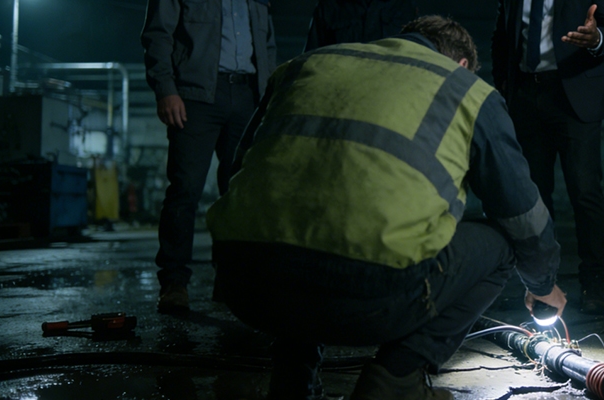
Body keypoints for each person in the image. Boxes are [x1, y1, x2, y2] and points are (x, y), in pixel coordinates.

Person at [206, 15, 567, 400]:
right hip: (369, 299)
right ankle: (396, 377)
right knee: (501, 245)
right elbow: (519, 212)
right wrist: (543, 284)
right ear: (461, 65)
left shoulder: (302, 66)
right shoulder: (465, 89)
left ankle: (293, 380)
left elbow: (238, 172)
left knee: (303, 217)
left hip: (246, 286)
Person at [141, 0, 277, 314]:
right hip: (195, 97)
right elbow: (158, 34)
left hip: (247, 97)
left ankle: (230, 281)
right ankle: (174, 282)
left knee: (240, 194)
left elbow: (267, 45)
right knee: (185, 190)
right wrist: (165, 89)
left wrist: (269, 96)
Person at [491, 0, 604, 315]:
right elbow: (502, 38)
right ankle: (542, 287)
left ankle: (594, 285)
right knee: (533, 199)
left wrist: (597, 39)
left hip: (575, 95)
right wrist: (505, 88)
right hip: (526, 96)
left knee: (585, 191)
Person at [304, 0, 419, 52]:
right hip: (341, 92)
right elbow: (311, 58)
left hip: (390, 91)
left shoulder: (404, 5)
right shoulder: (330, 5)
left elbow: (415, 55)